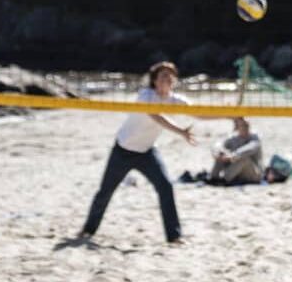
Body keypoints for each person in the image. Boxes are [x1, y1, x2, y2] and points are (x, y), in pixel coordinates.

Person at [80, 61, 213, 243]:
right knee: (105, 192)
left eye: (170, 75)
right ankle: (88, 230)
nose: (167, 78)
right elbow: (155, 115)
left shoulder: (174, 99)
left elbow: (199, 112)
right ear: (155, 81)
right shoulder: (146, 94)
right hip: (123, 151)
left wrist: (230, 114)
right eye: (163, 75)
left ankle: (174, 236)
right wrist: (181, 131)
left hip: (147, 153)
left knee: (166, 187)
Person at [209, 118, 263, 185]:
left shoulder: (254, 137)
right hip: (238, 174)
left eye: (246, 125)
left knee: (243, 159)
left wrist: (232, 156)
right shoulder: (233, 138)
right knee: (221, 155)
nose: (245, 128)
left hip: (254, 174)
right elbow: (218, 145)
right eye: (242, 125)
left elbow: (250, 148)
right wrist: (218, 153)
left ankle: (224, 180)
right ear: (238, 127)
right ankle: (214, 178)